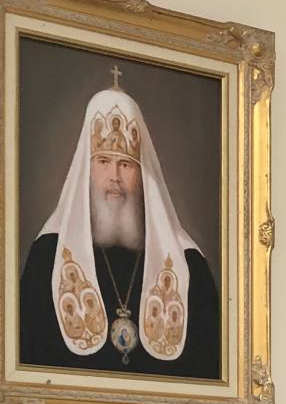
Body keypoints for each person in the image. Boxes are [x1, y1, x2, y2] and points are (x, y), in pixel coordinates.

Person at [18, 72, 221, 379]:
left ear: (143, 175)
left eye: (125, 165)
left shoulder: (188, 263)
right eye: (103, 162)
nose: (114, 176)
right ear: (87, 170)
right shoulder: (48, 255)